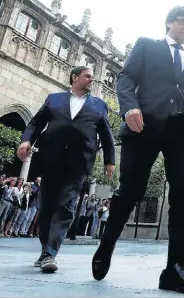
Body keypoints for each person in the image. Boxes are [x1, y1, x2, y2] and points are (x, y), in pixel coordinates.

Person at [91, 5, 184, 293]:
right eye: (182, 22)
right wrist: (129, 108)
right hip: (143, 126)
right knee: (130, 191)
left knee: (182, 195)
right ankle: (106, 247)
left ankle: (175, 270)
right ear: (169, 23)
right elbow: (126, 78)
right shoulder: (147, 46)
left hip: (178, 133)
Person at [17, 65, 115, 273]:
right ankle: (45, 250)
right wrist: (26, 141)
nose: (92, 80)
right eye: (88, 76)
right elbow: (36, 123)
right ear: (74, 77)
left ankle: (50, 253)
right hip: (51, 159)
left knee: (65, 205)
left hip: (79, 163)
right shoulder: (54, 99)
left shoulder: (99, 105)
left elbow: (106, 135)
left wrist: (110, 160)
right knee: (46, 207)